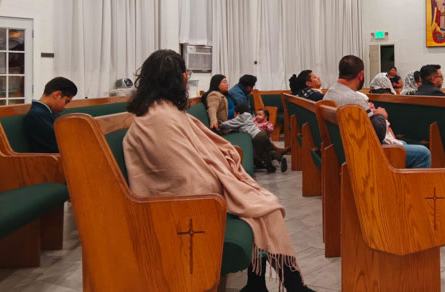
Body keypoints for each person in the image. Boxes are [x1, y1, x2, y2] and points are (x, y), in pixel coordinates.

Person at [122, 50, 313, 292]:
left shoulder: (163, 111)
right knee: (264, 208)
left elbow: (202, 150)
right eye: (186, 74)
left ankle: (260, 285)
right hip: (178, 207)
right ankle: (291, 287)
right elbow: (182, 177)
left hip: (191, 196)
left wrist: (223, 165)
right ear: (179, 79)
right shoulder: (158, 119)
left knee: (263, 205)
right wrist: (225, 178)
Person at [324, 55, 430, 169]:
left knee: (403, 144)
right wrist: (380, 115)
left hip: (343, 151)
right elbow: (378, 133)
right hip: (363, 154)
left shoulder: (329, 93)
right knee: (423, 154)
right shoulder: (355, 99)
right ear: (361, 75)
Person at [221, 103, 286, 173]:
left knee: (262, 154)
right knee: (267, 151)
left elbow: (229, 124)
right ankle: (280, 158)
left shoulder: (239, 118)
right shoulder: (249, 116)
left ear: (238, 113)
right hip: (262, 134)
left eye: (235, 113)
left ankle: (270, 168)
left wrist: (220, 125)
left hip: (257, 137)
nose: (234, 115)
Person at [23, 77, 78, 153]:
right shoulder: (37, 115)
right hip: (50, 159)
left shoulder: (47, 113)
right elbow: (61, 144)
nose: (65, 107)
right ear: (57, 95)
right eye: (66, 101)